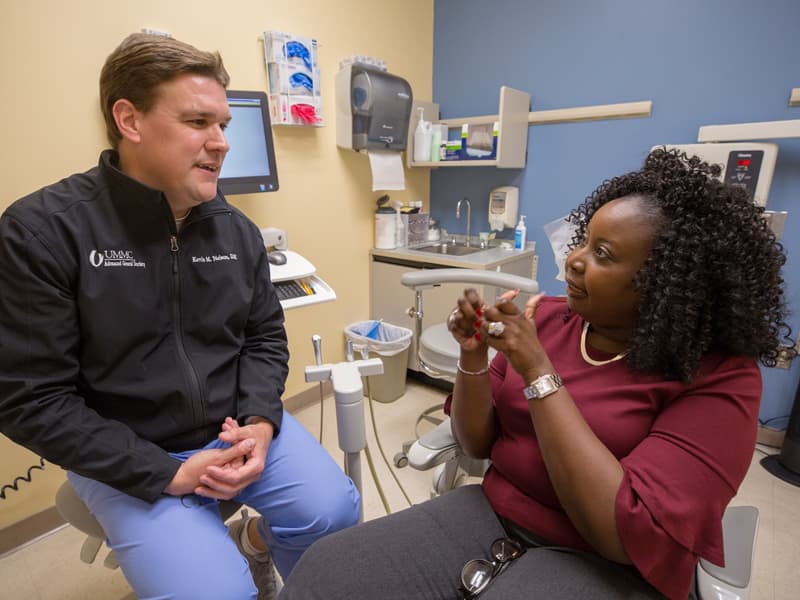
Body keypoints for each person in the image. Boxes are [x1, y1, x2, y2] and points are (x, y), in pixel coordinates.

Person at [276, 148, 793, 600]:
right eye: (584, 242)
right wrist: (474, 359)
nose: (573, 260)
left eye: (602, 255)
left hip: (608, 563)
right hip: (493, 512)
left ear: (668, 286)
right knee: (328, 574)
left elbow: (622, 531)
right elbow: (475, 444)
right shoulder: (548, 319)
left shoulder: (719, 377)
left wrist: (538, 372)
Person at [0, 33, 360, 600]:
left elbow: (264, 339)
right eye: (198, 122)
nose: (220, 143)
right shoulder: (44, 232)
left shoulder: (234, 230)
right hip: (127, 448)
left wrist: (262, 423)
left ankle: (255, 546)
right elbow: (30, 399)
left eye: (224, 125)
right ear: (130, 120)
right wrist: (164, 472)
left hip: (234, 428)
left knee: (334, 514)